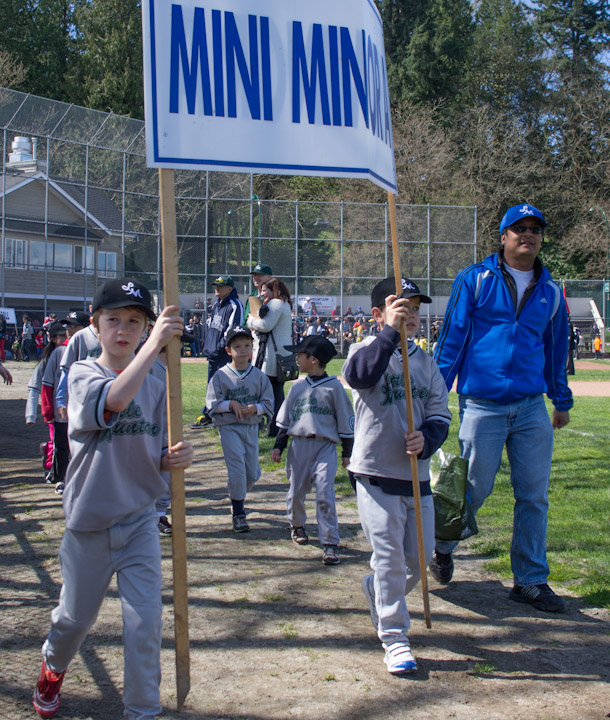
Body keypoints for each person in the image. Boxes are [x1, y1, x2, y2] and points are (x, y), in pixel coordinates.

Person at [32, 277, 193, 720]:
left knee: (144, 624)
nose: (123, 329)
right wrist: (155, 344)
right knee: (74, 622)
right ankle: (52, 666)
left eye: (135, 322)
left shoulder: (160, 378)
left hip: (139, 519)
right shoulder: (83, 372)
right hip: (90, 524)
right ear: (95, 325)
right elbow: (116, 403)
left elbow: (148, 445)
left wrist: (170, 458)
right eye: (113, 320)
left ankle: (142, 711)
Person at [431, 203, 572, 613]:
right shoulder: (474, 280)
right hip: (482, 404)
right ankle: (442, 546)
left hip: (530, 408)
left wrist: (559, 400)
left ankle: (530, 580)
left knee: (534, 496)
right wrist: (435, 395)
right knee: (472, 490)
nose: (527, 235)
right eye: (519, 229)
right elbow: (452, 340)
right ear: (503, 235)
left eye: (535, 230)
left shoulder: (550, 291)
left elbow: (555, 349)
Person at [342, 277, 451, 675]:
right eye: (401, 308)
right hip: (374, 474)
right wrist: (389, 334)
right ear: (378, 315)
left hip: (416, 477)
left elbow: (441, 413)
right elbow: (360, 376)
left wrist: (428, 439)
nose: (411, 316)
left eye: (416, 310)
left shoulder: (426, 363)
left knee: (416, 560)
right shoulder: (364, 350)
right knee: (388, 559)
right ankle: (394, 637)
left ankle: (377, 591)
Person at [271, 336, 354, 565]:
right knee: (296, 491)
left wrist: (347, 452)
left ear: (314, 360)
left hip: (325, 446)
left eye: (300, 355)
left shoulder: (334, 388)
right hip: (298, 445)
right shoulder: (297, 387)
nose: (296, 358)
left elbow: (346, 423)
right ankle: (296, 524)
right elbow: (285, 421)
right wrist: (279, 446)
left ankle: (330, 542)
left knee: (325, 493)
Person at [206, 326, 274, 532]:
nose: (243, 350)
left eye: (247, 345)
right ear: (229, 350)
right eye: (237, 346)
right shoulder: (221, 375)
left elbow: (269, 403)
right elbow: (211, 404)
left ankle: (236, 493)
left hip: (250, 427)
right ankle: (239, 512)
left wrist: (256, 408)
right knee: (237, 470)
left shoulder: (259, 376)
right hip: (229, 427)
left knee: (252, 474)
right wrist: (230, 404)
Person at [190, 275, 243, 429]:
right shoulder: (216, 305)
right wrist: (209, 347)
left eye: (221, 286)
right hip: (213, 353)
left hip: (224, 354)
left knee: (224, 386)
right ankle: (210, 414)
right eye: (216, 285)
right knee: (211, 386)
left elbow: (231, 331)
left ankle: (221, 415)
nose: (217, 288)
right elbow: (212, 329)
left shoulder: (234, 305)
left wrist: (219, 348)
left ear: (229, 289)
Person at [246, 276, 294, 437]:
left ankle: (272, 428)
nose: (262, 294)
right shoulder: (284, 303)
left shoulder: (275, 303)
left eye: (264, 291)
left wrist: (250, 321)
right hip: (277, 355)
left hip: (272, 357)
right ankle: (276, 427)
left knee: (269, 394)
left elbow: (265, 326)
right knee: (276, 393)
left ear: (275, 290)